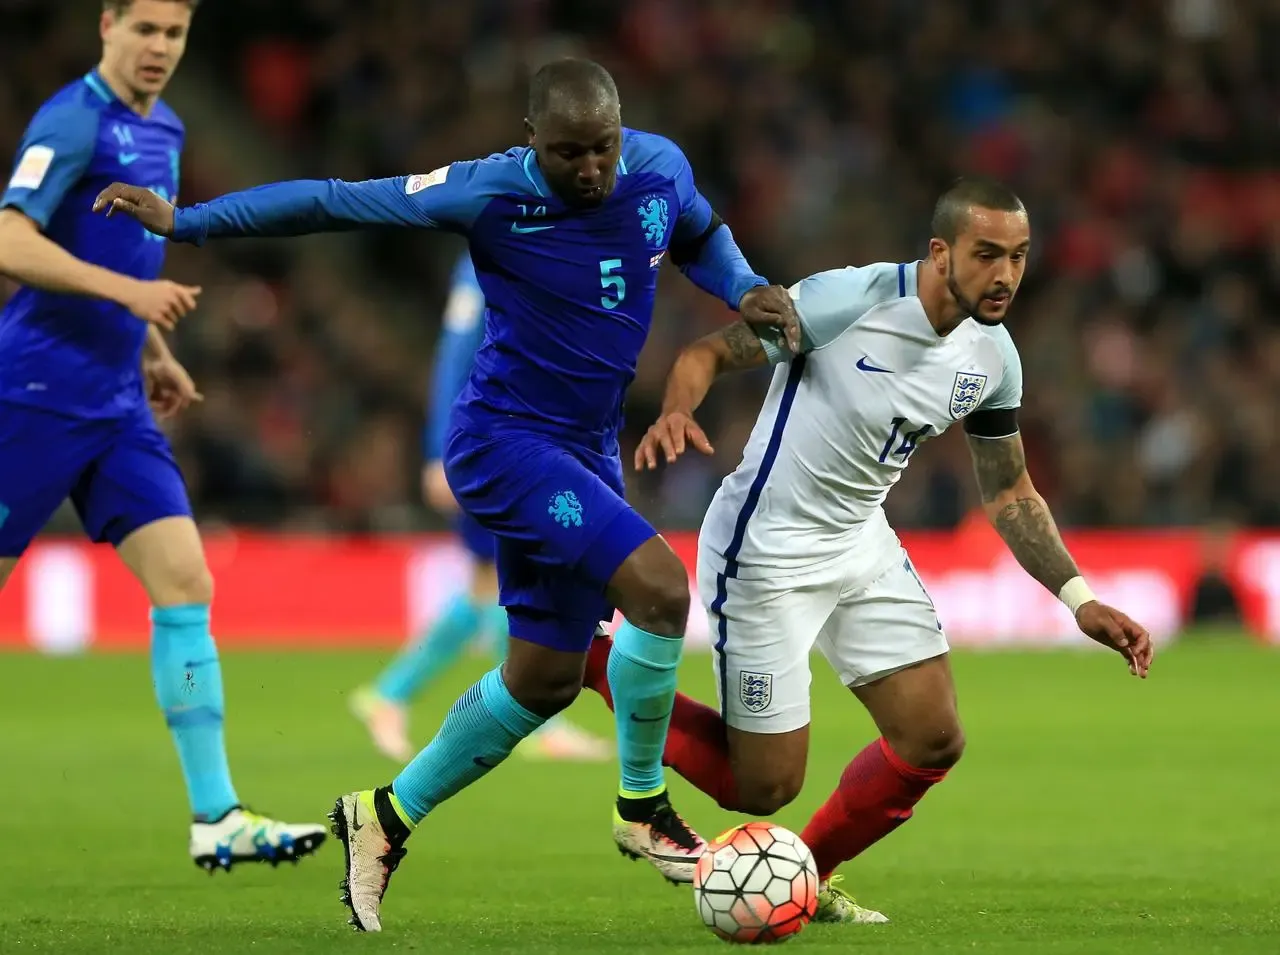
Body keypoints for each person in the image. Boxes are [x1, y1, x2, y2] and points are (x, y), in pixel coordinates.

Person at [95, 57, 801, 931]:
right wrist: (189, 220)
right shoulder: (487, 191)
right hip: (503, 443)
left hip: (585, 448)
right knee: (658, 589)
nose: (591, 170)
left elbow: (698, 233)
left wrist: (743, 286)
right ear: (531, 142)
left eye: (603, 149)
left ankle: (383, 816)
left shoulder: (657, 166)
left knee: (541, 680)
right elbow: (333, 200)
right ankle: (640, 807)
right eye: (570, 153)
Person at [584, 178, 1154, 923]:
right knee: (762, 788)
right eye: (987, 254)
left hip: (860, 541)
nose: (1006, 274)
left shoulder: (993, 357)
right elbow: (707, 353)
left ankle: (801, 878)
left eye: (1018, 256)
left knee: (931, 737)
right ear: (941, 251)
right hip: (768, 549)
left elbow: (1010, 490)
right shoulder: (845, 302)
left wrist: (1079, 597)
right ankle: (593, 660)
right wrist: (677, 411)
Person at [0, 0, 326, 871]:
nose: (159, 49)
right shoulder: (71, 120)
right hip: (33, 392)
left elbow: (126, 258)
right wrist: (129, 300)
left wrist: (152, 347)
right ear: (106, 24)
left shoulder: (168, 127)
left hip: (115, 400)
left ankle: (216, 813)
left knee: (185, 578)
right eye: (144, 29)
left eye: (175, 35)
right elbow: (10, 239)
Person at [351, 249, 611, 764]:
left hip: (515, 440)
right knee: (510, 580)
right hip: (486, 444)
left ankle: (391, 694)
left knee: (489, 585)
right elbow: (454, 357)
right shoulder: (483, 265)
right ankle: (534, 721)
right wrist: (436, 453)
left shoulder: (523, 257)